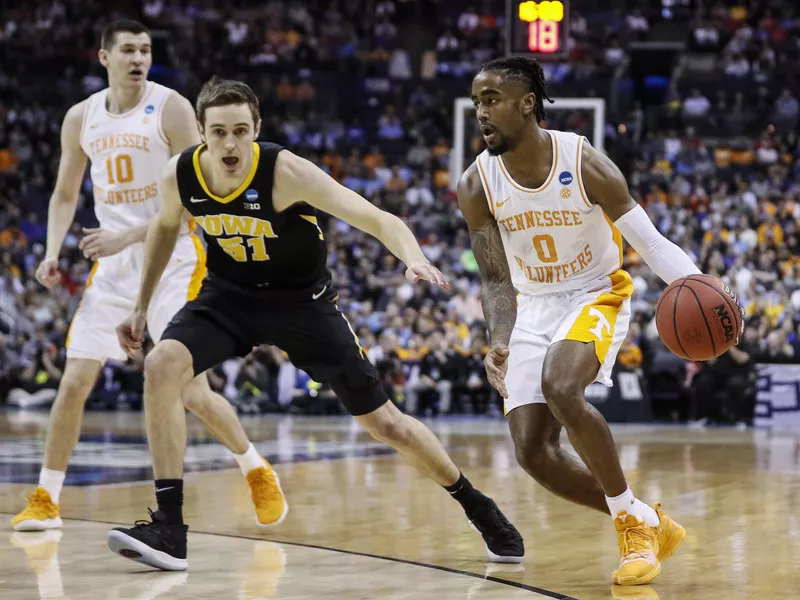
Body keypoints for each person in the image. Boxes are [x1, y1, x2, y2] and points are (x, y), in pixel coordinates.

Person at [106, 77, 524, 572]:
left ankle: (475, 503)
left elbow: (378, 219)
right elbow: (163, 228)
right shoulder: (181, 174)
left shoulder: (286, 171)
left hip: (302, 305)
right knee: (162, 364)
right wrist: (139, 306)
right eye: (218, 132)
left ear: (257, 129)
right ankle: (170, 529)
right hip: (228, 298)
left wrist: (412, 258)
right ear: (200, 133)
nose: (230, 143)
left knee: (385, 424)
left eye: (241, 131)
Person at [458, 56, 744, 586]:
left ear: (527, 103)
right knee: (533, 454)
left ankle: (631, 532)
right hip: (531, 304)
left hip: (596, 292)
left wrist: (705, 288)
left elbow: (652, 245)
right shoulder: (476, 185)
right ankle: (644, 518)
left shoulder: (584, 162)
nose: (481, 112)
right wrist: (499, 338)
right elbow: (496, 278)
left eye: (492, 99)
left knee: (562, 388)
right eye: (477, 102)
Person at [12, 21, 283, 533]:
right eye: (129, 50)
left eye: (146, 50)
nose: (139, 58)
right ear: (104, 58)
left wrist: (128, 236)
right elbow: (65, 193)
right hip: (112, 269)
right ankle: (47, 497)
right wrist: (51, 252)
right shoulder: (81, 117)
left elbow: (198, 198)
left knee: (190, 390)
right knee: (73, 382)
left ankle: (255, 468)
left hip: (175, 258)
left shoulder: (173, 108)